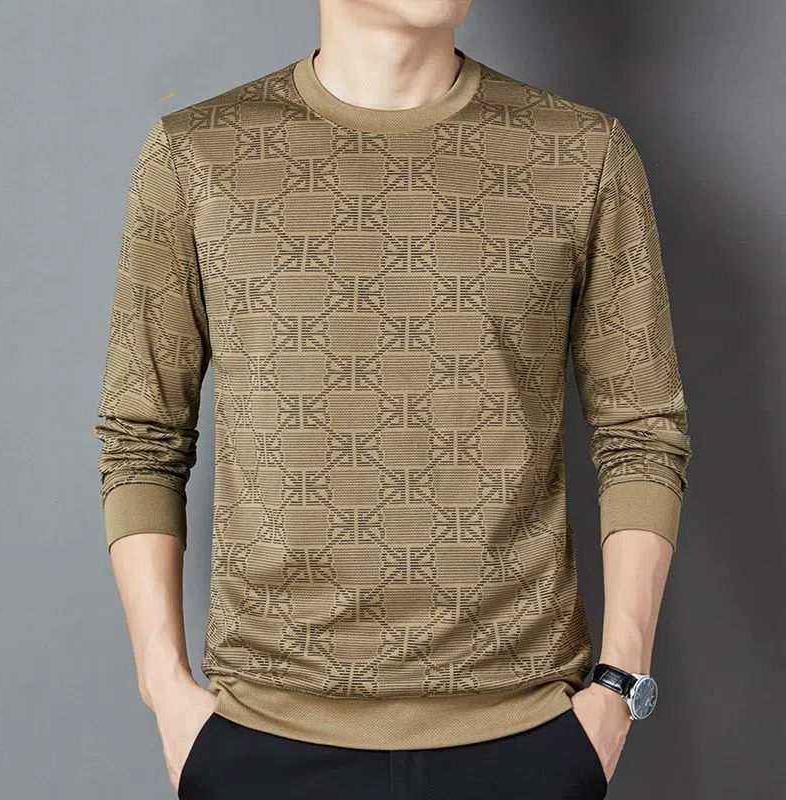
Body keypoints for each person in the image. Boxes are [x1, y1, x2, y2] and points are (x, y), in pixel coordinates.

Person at [92, 1, 692, 797]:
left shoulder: (582, 154)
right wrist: (164, 687)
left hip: (526, 737)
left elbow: (641, 431)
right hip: (261, 739)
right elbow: (142, 436)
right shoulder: (197, 155)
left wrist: (619, 685)